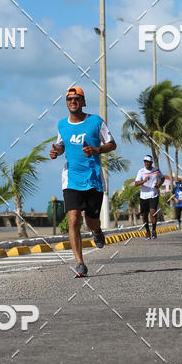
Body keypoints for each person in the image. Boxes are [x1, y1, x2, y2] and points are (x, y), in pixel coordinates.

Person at [49, 85, 116, 278]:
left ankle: (96, 231)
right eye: (69, 99)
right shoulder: (62, 124)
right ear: (66, 103)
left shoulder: (95, 121)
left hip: (93, 180)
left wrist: (97, 150)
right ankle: (80, 263)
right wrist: (56, 152)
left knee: (91, 221)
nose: (73, 101)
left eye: (76, 98)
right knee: (73, 220)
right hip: (71, 180)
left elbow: (112, 144)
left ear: (83, 102)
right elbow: (61, 145)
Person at [134, 155, 164, 239]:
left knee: (153, 212)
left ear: (151, 163)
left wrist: (159, 184)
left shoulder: (156, 170)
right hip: (143, 196)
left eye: (148, 162)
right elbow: (136, 183)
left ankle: (154, 230)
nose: (147, 163)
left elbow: (163, 178)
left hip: (153, 194)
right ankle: (147, 231)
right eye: (145, 162)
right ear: (144, 162)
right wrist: (144, 181)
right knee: (144, 215)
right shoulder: (141, 171)